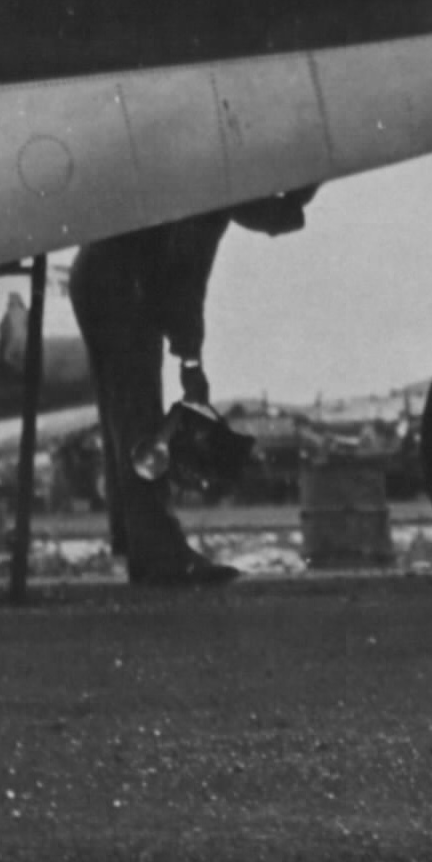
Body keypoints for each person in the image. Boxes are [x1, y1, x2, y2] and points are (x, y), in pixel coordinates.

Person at [67, 192, 310, 587]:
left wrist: (188, 356)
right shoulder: (215, 189)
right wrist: (190, 359)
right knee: (139, 422)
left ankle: (138, 544)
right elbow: (187, 279)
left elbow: (273, 217)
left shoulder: (206, 185)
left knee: (124, 420)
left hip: (101, 274)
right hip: (123, 282)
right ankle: (158, 553)